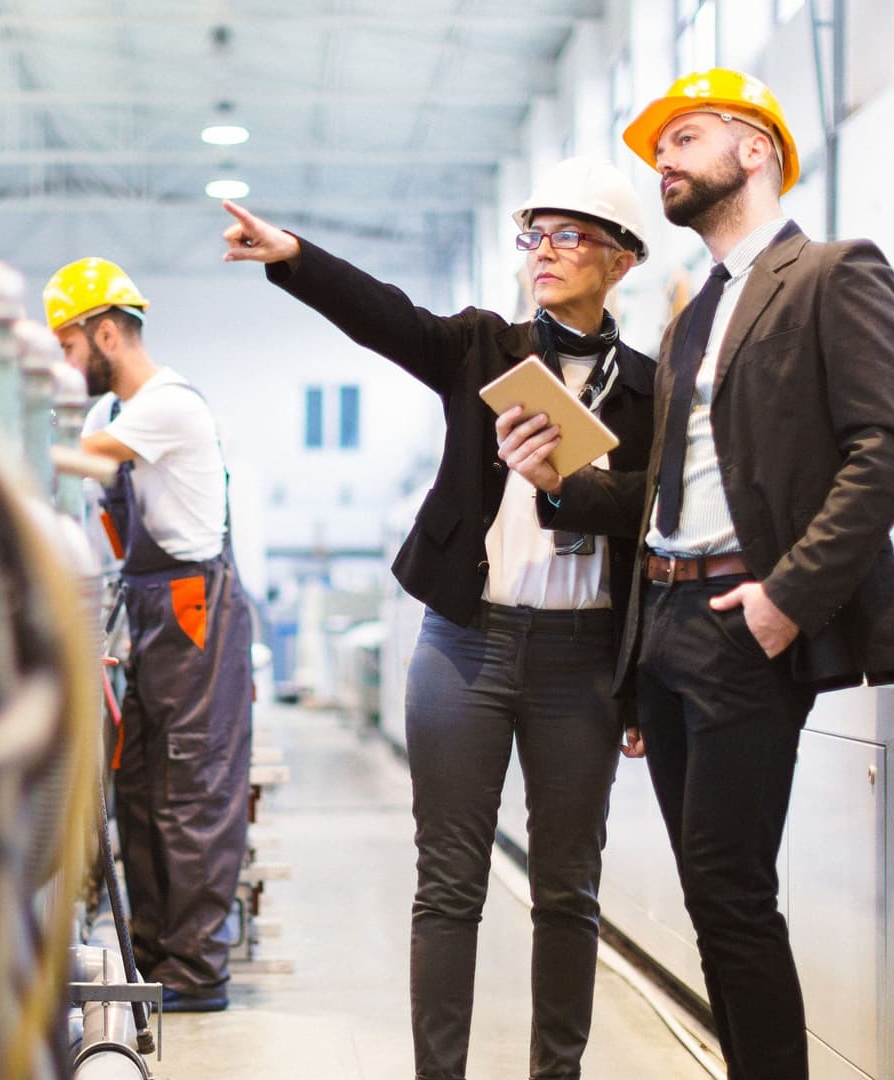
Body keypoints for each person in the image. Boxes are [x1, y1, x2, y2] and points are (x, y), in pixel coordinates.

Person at [500, 70, 894, 1078]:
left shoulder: (833, 272)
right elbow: (668, 488)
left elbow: (889, 451)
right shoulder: (694, 315)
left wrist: (786, 601)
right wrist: (563, 481)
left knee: (732, 891)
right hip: (674, 622)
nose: (665, 161)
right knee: (709, 893)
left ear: (755, 150)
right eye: (660, 149)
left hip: (750, 617)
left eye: (685, 138)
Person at [222, 158, 655, 1080]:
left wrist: (573, 491)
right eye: (534, 234)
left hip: (582, 660)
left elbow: (655, 519)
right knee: (448, 886)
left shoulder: (654, 391)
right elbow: (387, 316)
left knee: (569, 891)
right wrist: (295, 256)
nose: (544, 251)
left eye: (569, 235)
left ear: (621, 260)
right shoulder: (482, 348)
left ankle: (557, 1074)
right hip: (465, 646)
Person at [42, 256, 254, 1013]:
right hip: (151, 606)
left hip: (197, 609)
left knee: (191, 787)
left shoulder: (166, 404)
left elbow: (74, 462)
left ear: (107, 332)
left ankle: (197, 970)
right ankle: (158, 952)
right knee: (141, 785)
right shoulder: (109, 417)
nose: (68, 367)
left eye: (68, 348)